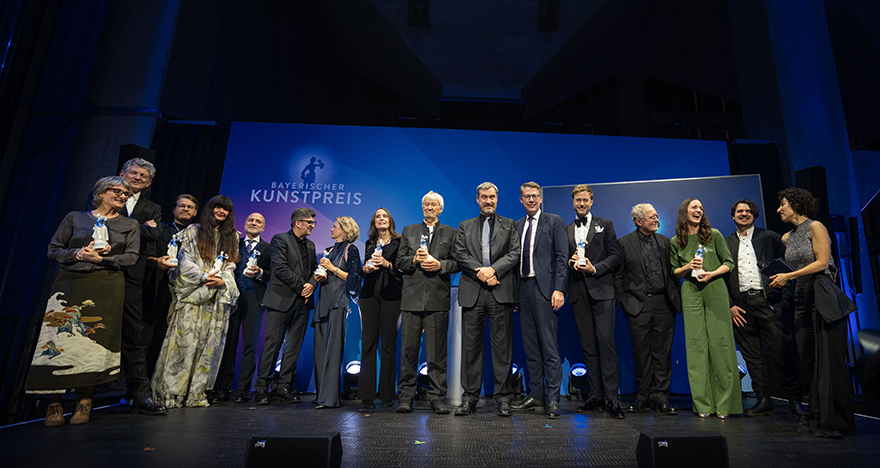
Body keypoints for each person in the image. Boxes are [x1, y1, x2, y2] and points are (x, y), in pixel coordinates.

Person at [27, 176, 140, 426]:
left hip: (107, 285)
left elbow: (132, 257)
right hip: (70, 284)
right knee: (58, 341)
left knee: (94, 342)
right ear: (100, 193)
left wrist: (105, 260)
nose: (123, 196)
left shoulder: (129, 224)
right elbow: (53, 250)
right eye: (117, 191)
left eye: (126, 193)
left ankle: (85, 401)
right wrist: (77, 253)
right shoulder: (75, 218)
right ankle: (54, 402)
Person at [769, 188, 855, 438]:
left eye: (783, 204)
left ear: (796, 204)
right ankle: (818, 410)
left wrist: (789, 275)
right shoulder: (786, 238)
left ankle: (836, 417)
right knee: (809, 359)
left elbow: (822, 262)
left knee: (828, 359)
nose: (779, 209)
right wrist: (781, 276)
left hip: (821, 293)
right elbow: (794, 267)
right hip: (801, 297)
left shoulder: (815, 227)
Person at [151, 195, 240, 408]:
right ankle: (171, 395)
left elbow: (231, 266)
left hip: (215, 301)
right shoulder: (193, 231)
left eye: (226, 209)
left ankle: (195, 393)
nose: (222, 211)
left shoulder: (232, 236)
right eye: (218, 207)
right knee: (183, 345)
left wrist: (223, 281)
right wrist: (203, 277)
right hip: (192, 297)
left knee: (207, 346)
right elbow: (185, 260)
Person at [725, 199, 804, 418]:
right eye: (739, 211)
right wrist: (731, 306)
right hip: (741, 307)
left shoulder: (769, 237)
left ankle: (795, 400)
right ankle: (764, 400)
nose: (744, 214)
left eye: (748, 211)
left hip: (769, 302)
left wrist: (784, 298)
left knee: (782, 351)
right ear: (733, 216)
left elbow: (788, 267)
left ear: (754, 215)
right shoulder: (726, 242)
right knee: (752, 356)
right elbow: (723, 276)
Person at [454, 182, 520, 417]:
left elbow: (514, 253)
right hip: (473, 291)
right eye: (484, 197)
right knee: (471, 349)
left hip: (500, 291)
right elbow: (460, 254)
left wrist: (493, 270)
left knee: (503, 350)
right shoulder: (465, 226)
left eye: (492, 197)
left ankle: (503, 398)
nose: (488, 201)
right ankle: (470, 397)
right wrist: (481, 272)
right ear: (477, 199)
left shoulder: (509, 225)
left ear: (497, 198)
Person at [670, 198, 741, 419]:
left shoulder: (715, 235)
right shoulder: (676, 241)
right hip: (690, 293)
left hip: (716, 290)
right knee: (696, 347)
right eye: (694, 208)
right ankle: (703, 404)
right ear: (685, 212)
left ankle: (725, 404)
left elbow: (729, 263)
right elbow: (674, 272)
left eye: (701, 208)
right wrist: (687, 267)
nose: (699, 210)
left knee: (721, 344)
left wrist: (711, 273)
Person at [110, 158, 167, 415]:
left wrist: (134, 227)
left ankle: (139, 392)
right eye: (133, 173)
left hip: (134, 275)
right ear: (122, 173)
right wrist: (140, 226)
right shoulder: (106, 197)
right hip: (101, 270)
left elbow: (156, 235)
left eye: (143, 176)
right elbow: (103, 225)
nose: (137, 178)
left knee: (135, 333)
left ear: (149, 182)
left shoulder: (152, 207)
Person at [396, 191, 460, 414]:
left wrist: (440, 265)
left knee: (437, 353)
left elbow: (457, 262)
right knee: (408, 351)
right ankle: (405, 396)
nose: (429, 208)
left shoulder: (451, 233)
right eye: (425, 204)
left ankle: (436, 397)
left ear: (441, 209)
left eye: (433, 205)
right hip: (412, 298)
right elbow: (399, 262)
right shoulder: (409, 231)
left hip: (437, 299)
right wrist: (413, 259)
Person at [614, 203, 681, 415]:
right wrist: (623, 301)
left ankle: (662, 398)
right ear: (638, 221)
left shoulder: (665, 242)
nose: (656, 220)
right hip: (637, 306)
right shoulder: (624, 243)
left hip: (664, 304)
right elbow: (618, 276)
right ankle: (642, 397)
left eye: (656, 216)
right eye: (651, 217)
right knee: (641, 354)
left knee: (662, 353)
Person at [509, 182, 568, 419]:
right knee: (531, 346)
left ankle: (553, 400)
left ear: (541, 198)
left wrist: (559, 290)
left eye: (534, 196)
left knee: (549, 347)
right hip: (523, 289)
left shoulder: (554, 221)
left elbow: (562, 258)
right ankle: (535, 395)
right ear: (521, 200)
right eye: (526, 196)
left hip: (546, 290)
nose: (531, 200)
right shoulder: (517, 225)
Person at [566, 184, 624, 418]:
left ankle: (612, 398)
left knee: (606, 344)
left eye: (585, 200)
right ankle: (596, 396)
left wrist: (594, 268)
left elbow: (616, 256)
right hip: (578, 293)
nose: (581, 203)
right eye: (577, 200)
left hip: (602, 291)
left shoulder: (605, 224)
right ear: (573, 203)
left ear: (591, 202)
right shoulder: (568, 228)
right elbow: (564, 259)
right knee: (588, 347)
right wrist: (572, 263)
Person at [254, 208, 318, 405]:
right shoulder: (280, 239)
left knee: (293, 348)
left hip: (302, 303)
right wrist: (302, 287)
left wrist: (312, 285)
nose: (312, 226)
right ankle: (261, 388)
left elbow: (315, 269)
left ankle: (283, 386)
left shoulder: (311, 245)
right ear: (298, 222)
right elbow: (279, 268)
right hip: (280, 300)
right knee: (272, 346)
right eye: (309, 222)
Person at [210, 212, 271, 404]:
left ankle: (243, 389)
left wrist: (261, 272)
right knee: (228, 344)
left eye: (258, 221)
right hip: (232, 297)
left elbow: (273, 274)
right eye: (250, 220)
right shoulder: (232, 244)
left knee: (250, 345)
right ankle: (222, 388)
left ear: (263, 227)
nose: (253, 223)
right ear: (244, 224)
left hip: (255, 298)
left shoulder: (268, 248)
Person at [144, 194, 198, 377]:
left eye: (190, 207)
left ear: (195, 212)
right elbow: (144, 257)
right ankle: (143, 380)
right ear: (174, 209)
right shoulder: (159, 230)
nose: (185, 209)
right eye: (181, 206)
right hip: (159, 288)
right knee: (152, 334)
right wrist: (156, 261)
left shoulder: (199, 235)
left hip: (187, 293)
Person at [313, 216, 362, 409]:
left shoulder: (352, 250)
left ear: (344, 229)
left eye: (334, 226)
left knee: (333, 350)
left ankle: (330, 398)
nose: (331, 229)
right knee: (320, 350)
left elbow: (354, 279)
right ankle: (320, 395)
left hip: (338, 300)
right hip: (323, 300)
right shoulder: (330, 250)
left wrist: (332, 268)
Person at [358, 208, 403, 410]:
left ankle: (387, 395)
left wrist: (387, 263)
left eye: (384, 216)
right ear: (374, 222)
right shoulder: (369, 244)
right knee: (368, 343)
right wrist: (365, 269)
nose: (381, 219)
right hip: (369, 296)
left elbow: (404, 268)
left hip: (391, 296)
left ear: (390, 221)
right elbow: (362, 271)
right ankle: (367, 395)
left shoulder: (400, 242)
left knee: (388, 344)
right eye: (377, 216)